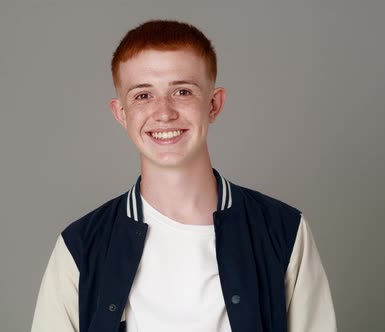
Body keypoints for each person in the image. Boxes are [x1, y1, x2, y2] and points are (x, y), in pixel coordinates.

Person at [31, 20, 337, 332]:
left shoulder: (283, 232)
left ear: (214, 105)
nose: (164, 112)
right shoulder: (81, 245)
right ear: (121, 113)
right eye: (143, 95)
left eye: (182, 91)